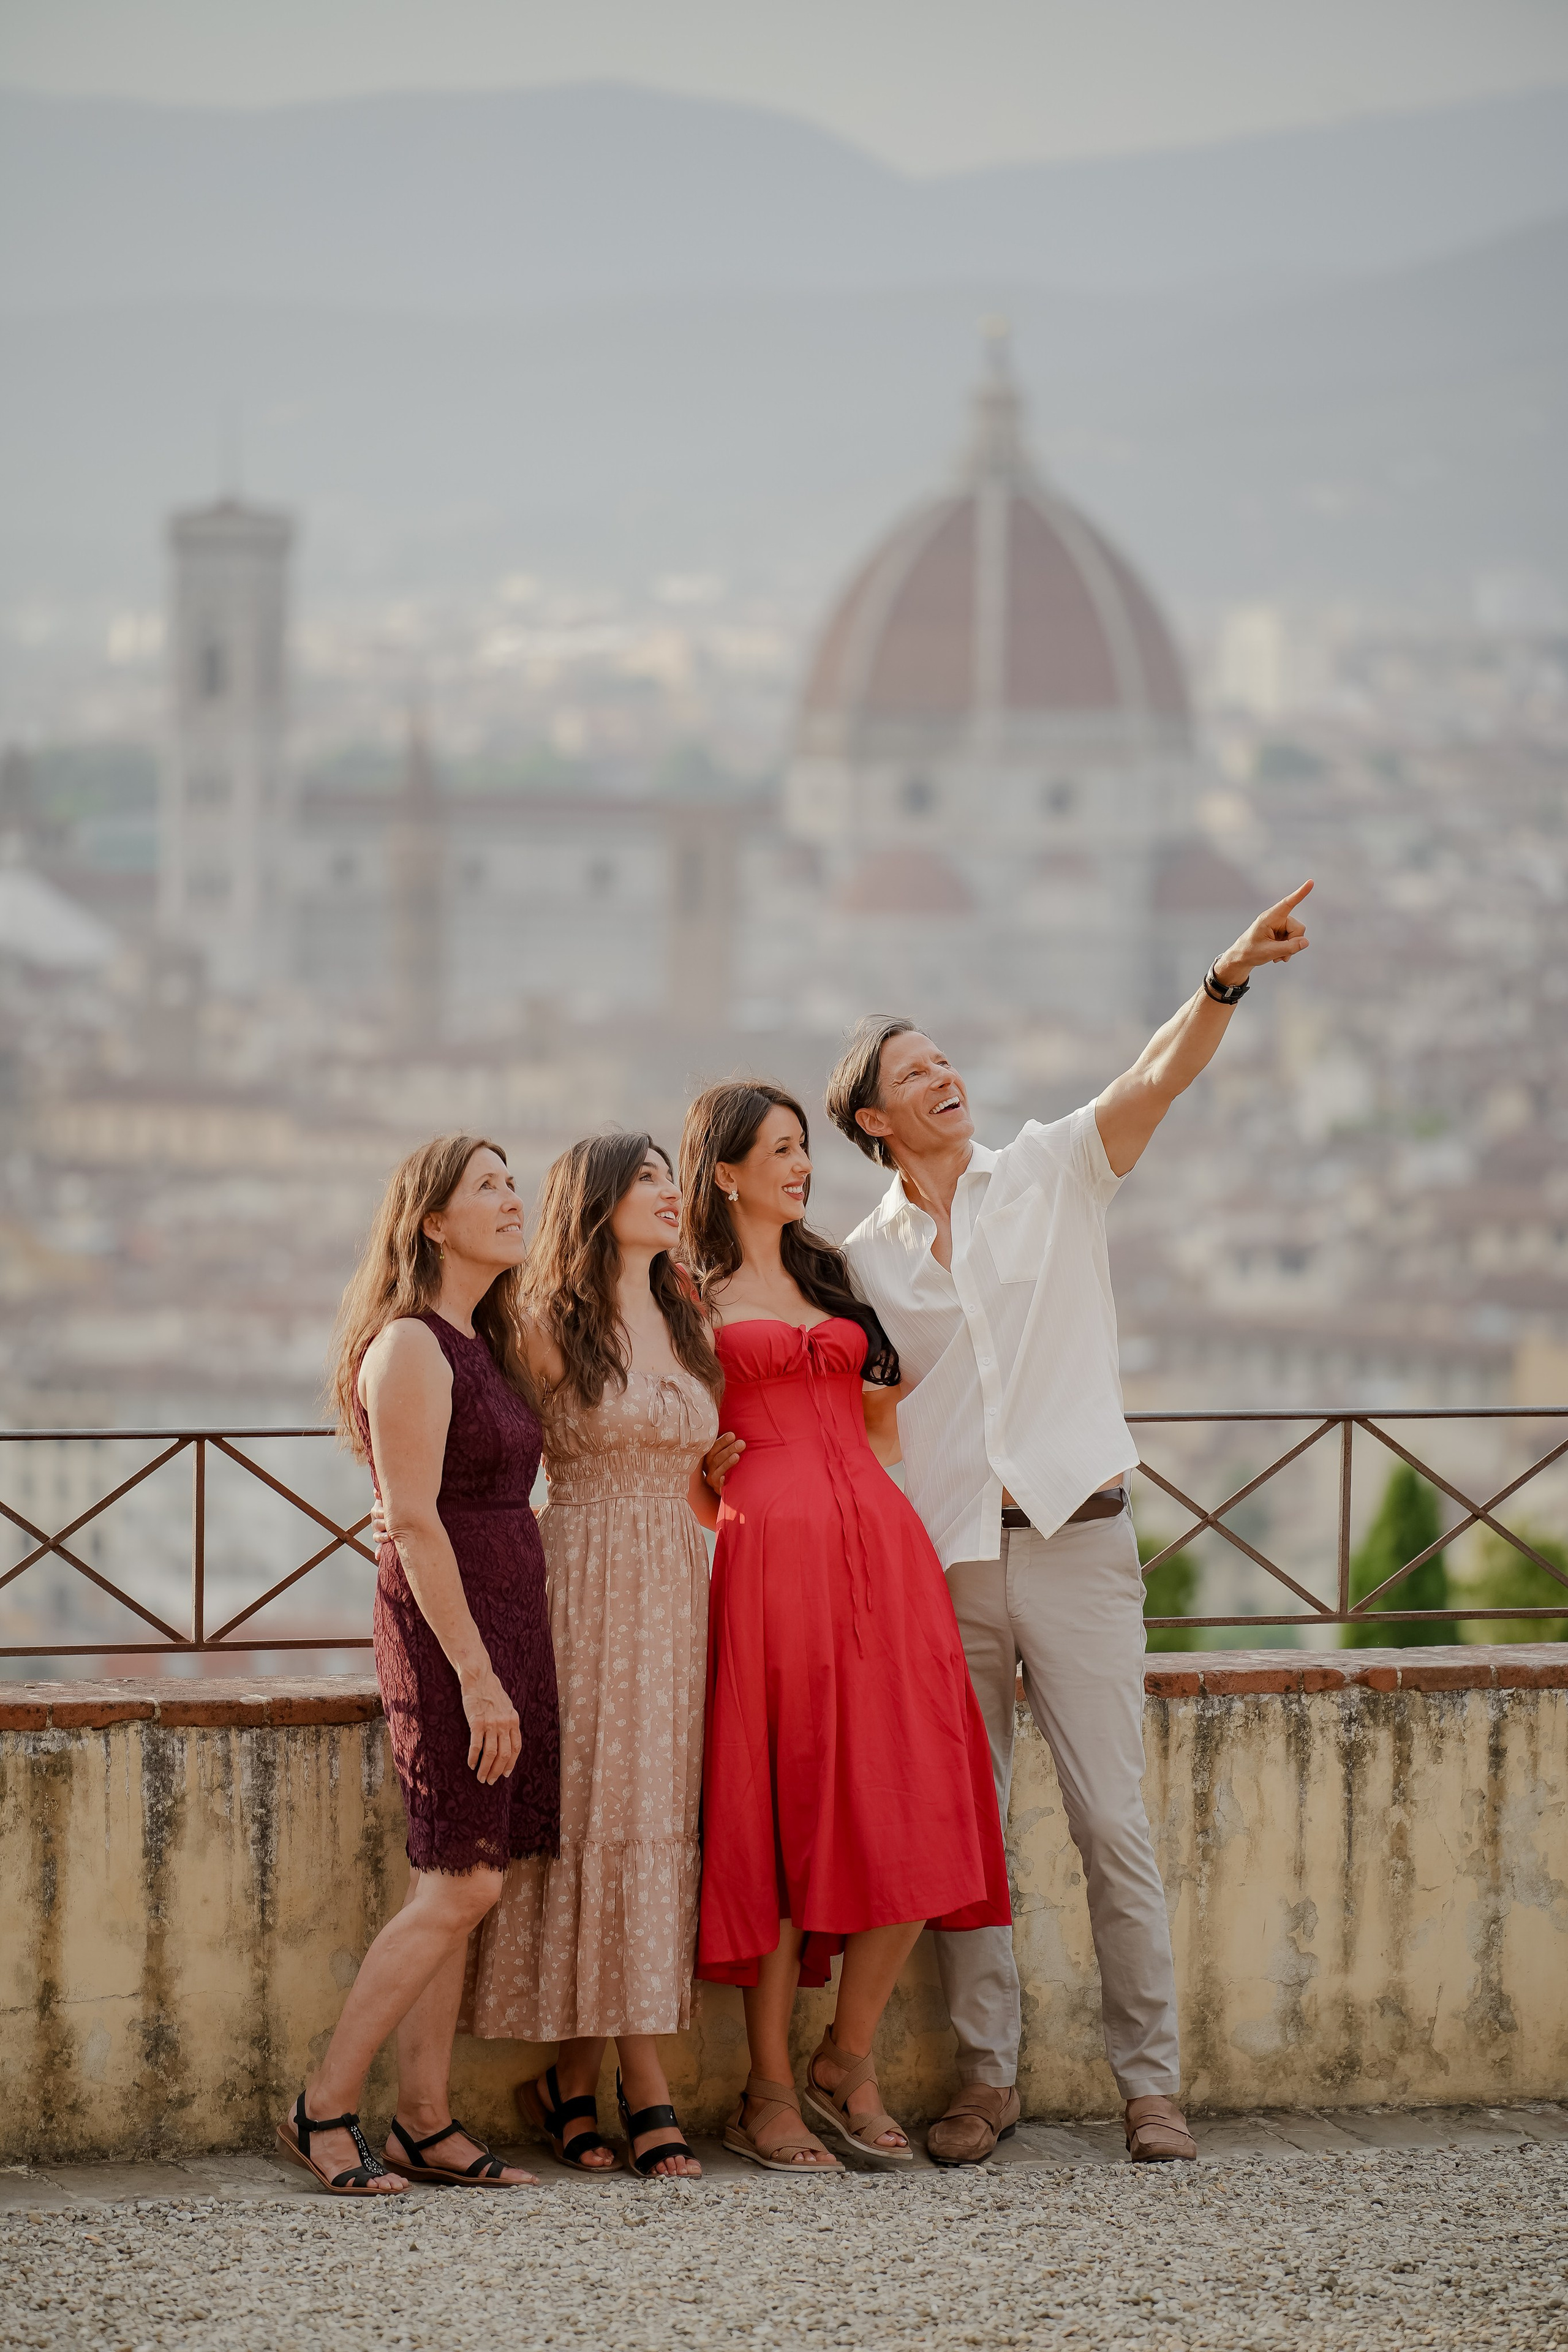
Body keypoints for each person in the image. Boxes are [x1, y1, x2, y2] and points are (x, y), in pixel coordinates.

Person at [826, 883, 1314, 2167]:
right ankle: (987, 2081)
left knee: (1112, 1823)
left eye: (945, 1057)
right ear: (872, 1120)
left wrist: (1219, 979)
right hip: (950, 1563)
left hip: (1080, 1541)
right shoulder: (859, 1260)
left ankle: (1148, 2088)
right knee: (964, 1838)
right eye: (914, 1070)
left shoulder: (1048, 1167)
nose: (946, 1075)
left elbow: (1155, 1080)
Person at [679, 1080, 1011, 2171]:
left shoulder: (835, 1275)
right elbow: (672, 1453)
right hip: (769, 1568)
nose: (800, 1166)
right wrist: (711, 1479)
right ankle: (767, 2086)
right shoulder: (683, 1292)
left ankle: (847, 2056)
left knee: (916, 1803)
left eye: (803, 1149)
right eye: (777, 1150)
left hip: (885, 1552)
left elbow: (883, 1423)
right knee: (784, 1819)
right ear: (723, 1170)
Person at [278, 1133, 557, 2197]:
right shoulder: (409, 1347)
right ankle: (325, 2105)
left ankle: (427, 2121)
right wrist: (480, 1679)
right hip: (450, 1635)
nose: (509, 1198)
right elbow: (411, 1523)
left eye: (511, 1182)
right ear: (432, 1221)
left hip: (503, 1621)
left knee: (462, 1880)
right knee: (462, 1878)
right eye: (484, 1186)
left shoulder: (484, 1344)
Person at [462, 1134, 729, 2178]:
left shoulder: (685, 1315)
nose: (671, 1193)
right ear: (600, 1200)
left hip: (679, 1580)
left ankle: (572, 2076)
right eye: (650, 1178)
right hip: (580, 1581)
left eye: (672, 1176)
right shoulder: (540, 1327)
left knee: (655, 1811)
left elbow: (701, 1465)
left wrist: (720, 1468)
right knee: (598, 1810)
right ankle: (647, 2087)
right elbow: (481, 1452)